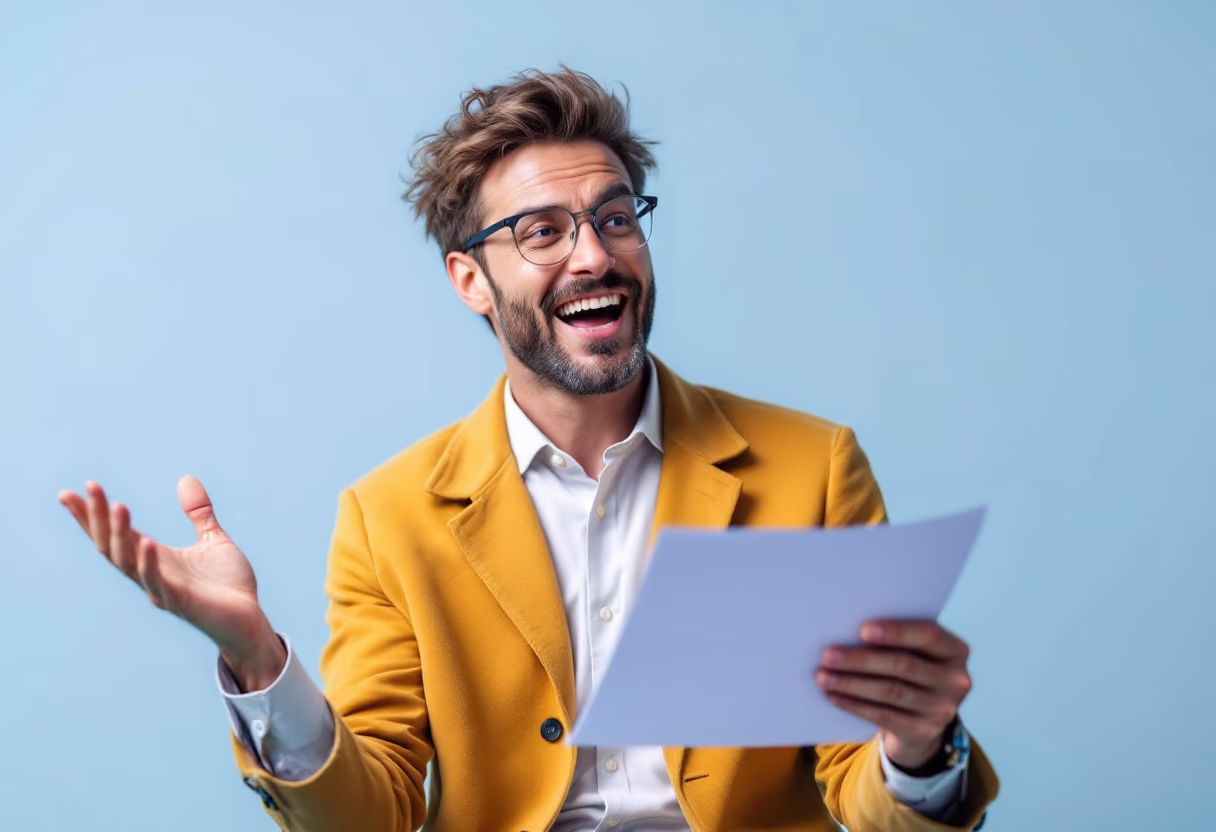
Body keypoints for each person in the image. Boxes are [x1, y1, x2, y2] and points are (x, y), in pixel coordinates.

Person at [59, 68, 999, 832]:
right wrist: (259, 656)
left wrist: (917, 751)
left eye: (616, 217)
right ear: (470, 279)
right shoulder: (389, 517)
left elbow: (865, 795)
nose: (593, 256)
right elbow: (369, 817)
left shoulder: (812, 467)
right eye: (542, 232)